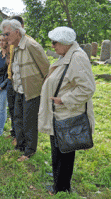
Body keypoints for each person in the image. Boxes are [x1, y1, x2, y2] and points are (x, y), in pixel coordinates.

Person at [38, 27, 95, 195]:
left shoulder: (77, 58)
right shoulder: (67, 55)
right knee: (57, 148)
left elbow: (87, 88)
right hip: (60, 113)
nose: (52, 46)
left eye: (55, 42)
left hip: (68, 113)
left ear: (65, 43)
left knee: (65, 151)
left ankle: (62, 187)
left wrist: (64, 100)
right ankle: (58, 177)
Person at [1, 19, 50, 161]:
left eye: (7, 34)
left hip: (32, 91)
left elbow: (46, 69)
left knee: (29, 122)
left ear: (17, 32)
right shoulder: (14, 46)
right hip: (18, 89)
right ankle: (20, 146)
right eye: (3, 34)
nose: (5, 37)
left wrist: (44, 90)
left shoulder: (31, 45)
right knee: (17, 118)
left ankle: (29, 151)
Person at [6, 15, 25, 141]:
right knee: (12, 108)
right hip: (10, 79)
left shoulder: (26, 42)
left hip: (21, 82)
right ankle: (14, 132)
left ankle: (20, 137)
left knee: (20, 112)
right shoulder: (12, 42)